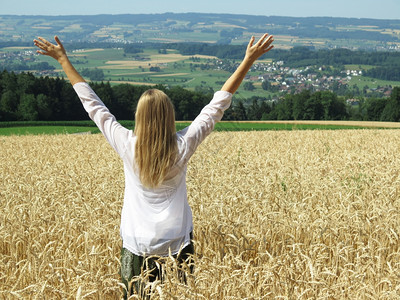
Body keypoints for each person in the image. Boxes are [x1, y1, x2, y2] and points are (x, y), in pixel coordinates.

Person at [33, 33, 274, 298]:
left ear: (139, 117)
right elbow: (217, 105)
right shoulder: (183, 146)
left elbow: (93, 106)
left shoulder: (127, 144)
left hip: (137, 243)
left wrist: (63, 59)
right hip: (177, 243)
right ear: (170, 116)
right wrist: (248, 60)